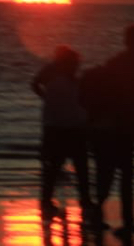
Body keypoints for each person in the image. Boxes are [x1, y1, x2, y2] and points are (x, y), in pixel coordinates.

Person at [84, 24, 134, 237]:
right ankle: (122, 220)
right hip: (122, 127)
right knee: (121, 175)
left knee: (112, 174)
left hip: (119, 127)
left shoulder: (117, 63)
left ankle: (110, 216)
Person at [32, 45, 95, 223]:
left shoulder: (62, 82)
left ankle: (49, 200)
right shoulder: (64, 83)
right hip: (65, 129)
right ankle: (82, 200)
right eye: (75, 63)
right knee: (76, 167)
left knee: (57, 167)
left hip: (60, 128)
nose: (77, 66)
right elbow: (78, 107)